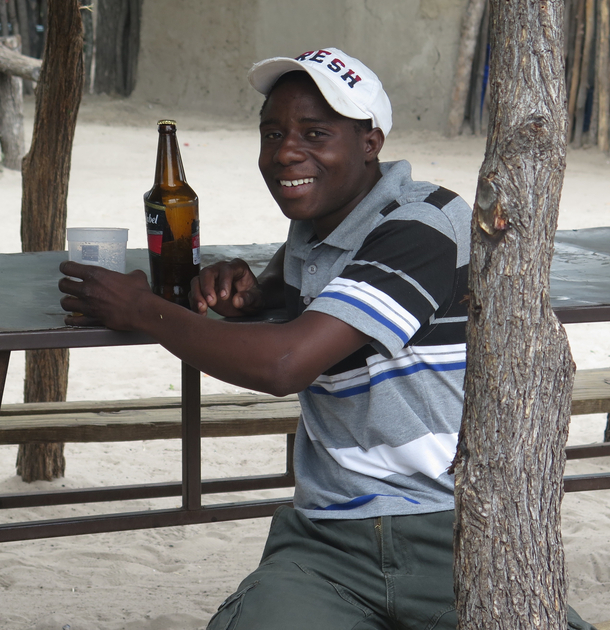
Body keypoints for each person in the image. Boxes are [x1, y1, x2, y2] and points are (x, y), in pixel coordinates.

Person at [59, 48, 471, 629]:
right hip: (330, 541)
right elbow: (297, 287)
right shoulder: (318, 228)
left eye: (315, 133)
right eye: (271, 132)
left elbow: (285, 364)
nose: (285, 153)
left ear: (370, 143)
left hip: (447, 530)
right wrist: (253, 290)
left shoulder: (424, 222)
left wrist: (143, 310)